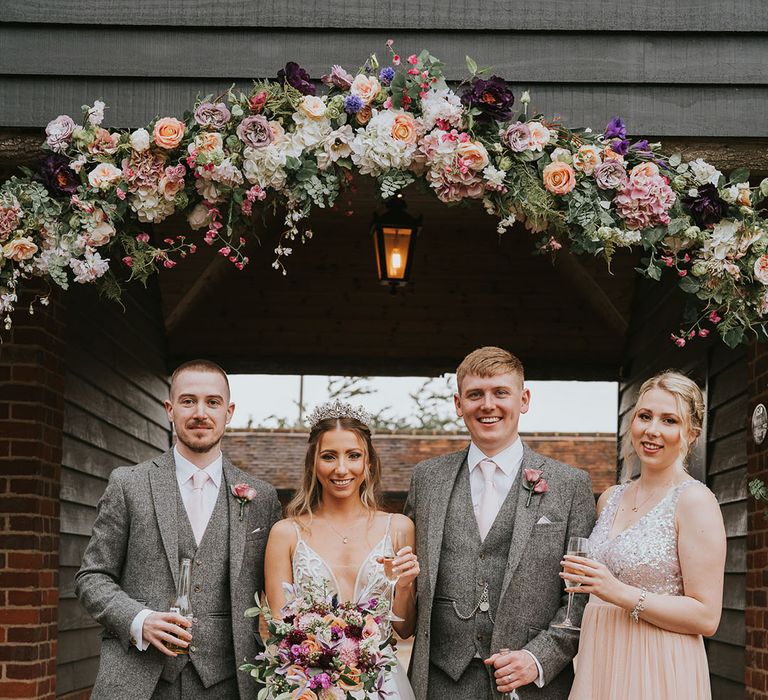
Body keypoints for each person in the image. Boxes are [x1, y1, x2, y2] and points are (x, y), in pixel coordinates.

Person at [75, 360, 282, 699]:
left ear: (228, 412)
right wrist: (139, 620)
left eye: (212, 402)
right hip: (139, 682)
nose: (200, 412)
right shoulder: (129, 485)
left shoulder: (262, 498)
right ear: (170, 409)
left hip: (230, 683)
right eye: (188, 401)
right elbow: (92, 577)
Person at [405, 346, 596, 700]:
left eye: (500, 393)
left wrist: (539, 657)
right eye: (475, 395)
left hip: (529, 685)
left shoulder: (571, 485)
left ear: (523, 399)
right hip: (440, 682)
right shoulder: (426, 479)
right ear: (458, 404)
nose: (487, 405)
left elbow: (581, 594)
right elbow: (408, 582)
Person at [566, 370, 726, 700]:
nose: (652, 430)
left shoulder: (695, 501)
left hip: (658, 664)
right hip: (600, 658)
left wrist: (618, 592)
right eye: (645, 416)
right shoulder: (609, 498)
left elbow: (707, 617)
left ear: (691, 434)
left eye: (669, 421)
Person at [264, 399, 418, 699]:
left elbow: (405, 628)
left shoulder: (399, 528)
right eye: (329, 456)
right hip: (307, 687)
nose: (341, 468)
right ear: (313, 463)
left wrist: (406, 585)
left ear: (368, 463)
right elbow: (281, 632)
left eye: (353, 455)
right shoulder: (286, 534)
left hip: (381, 685)